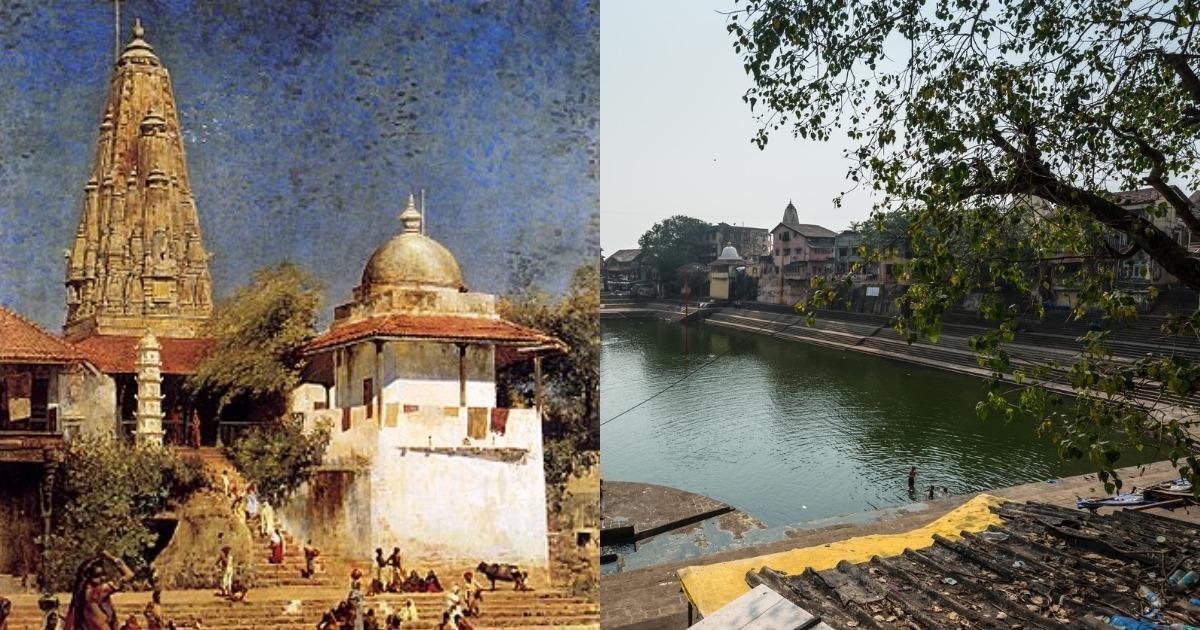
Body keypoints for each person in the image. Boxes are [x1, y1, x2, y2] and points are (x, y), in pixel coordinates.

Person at [65, 551, 135, 630]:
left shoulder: (81, 595)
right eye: (97, 576)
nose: (103, 578)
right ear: (88, 578)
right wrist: (111, 558)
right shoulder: (95, 592)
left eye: (103, 574)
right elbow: (129, 575)